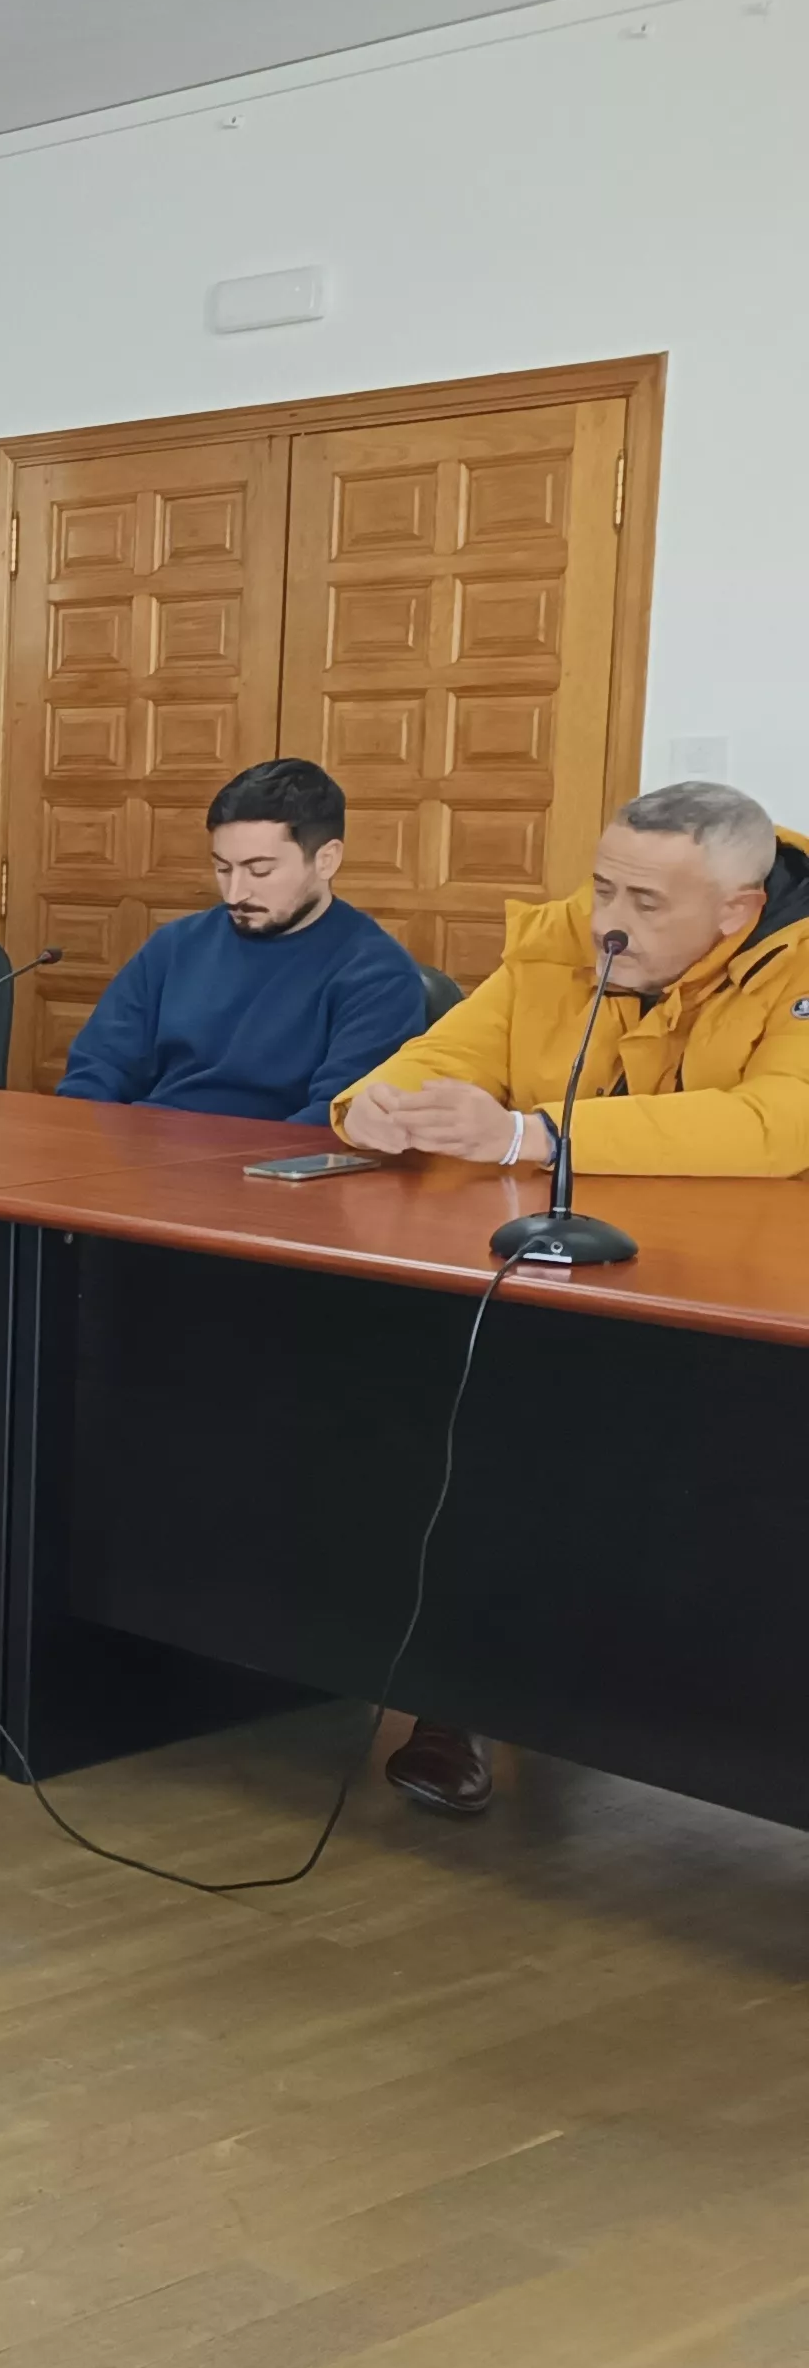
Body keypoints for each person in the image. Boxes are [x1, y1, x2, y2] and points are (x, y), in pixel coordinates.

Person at [332, 778, 809, 1816]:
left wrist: (534, 1133)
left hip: (754, 1286)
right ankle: (456, 1700)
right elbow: (444, 1057)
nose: (608, 922)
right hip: (567, 1266)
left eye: (644, 904)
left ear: (736, 911)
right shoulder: (563, 941)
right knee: (468, 1426)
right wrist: (376, 1106)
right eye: (602, 888)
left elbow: (779, 1124)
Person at [55, 756, 430, 1120]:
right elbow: (96, 1072)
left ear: (326, 859)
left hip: (269, 1170)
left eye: (260, 871)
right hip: (143, 1160)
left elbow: (336, 1120)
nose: (235, 894)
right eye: (222, 868)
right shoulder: (174, 946)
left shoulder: (377, 974)